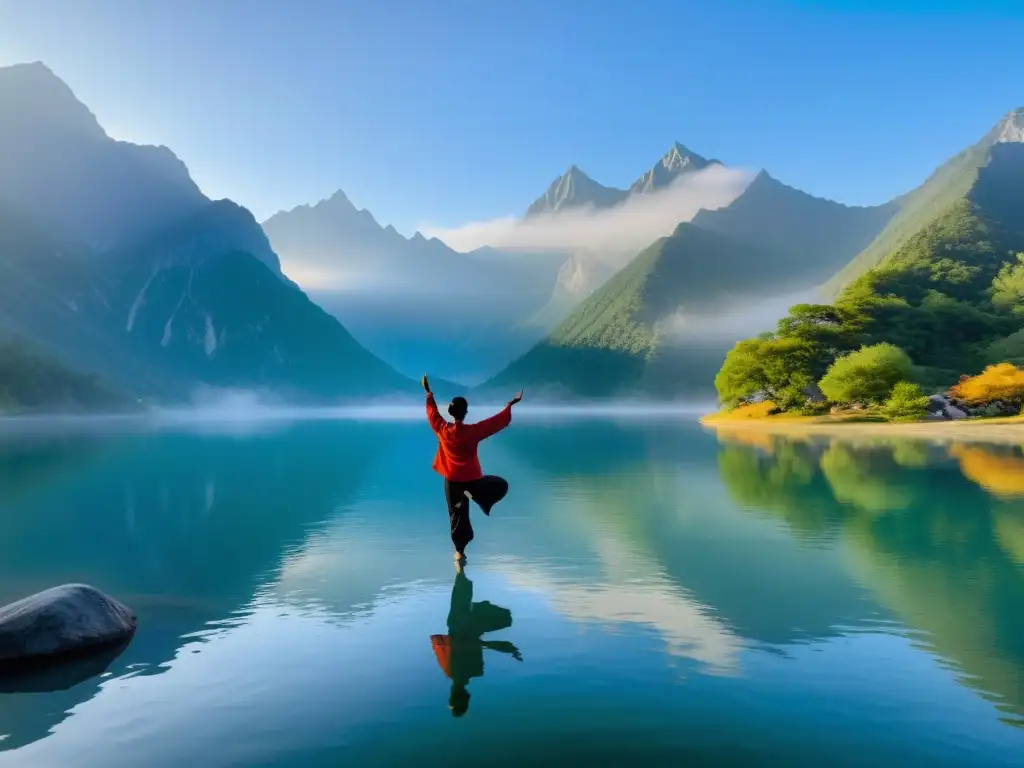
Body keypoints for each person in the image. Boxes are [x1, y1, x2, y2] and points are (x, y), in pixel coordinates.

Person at [422, 374, 523, 564]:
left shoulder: (442, 429)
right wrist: (510, 405)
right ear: (465, 412)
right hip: (471, 480)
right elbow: (494, 423)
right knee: (499, 485)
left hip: (452, 480)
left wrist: (428, 392)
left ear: (451, 411)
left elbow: (432, 414)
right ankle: (477, 497)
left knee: (456, 514)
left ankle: (459, 552)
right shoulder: (473, 432)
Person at [429, 569, 522, 717]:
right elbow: (440, 642)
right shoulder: (455, 672)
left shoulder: (467, 671)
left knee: (505, 617)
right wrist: (505, 648)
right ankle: (461, 570)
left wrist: (505, 648)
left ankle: (461, 571)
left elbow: (468, 644)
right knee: (505, 617)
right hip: (460, 623)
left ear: (466, 696)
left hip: (465, 624)